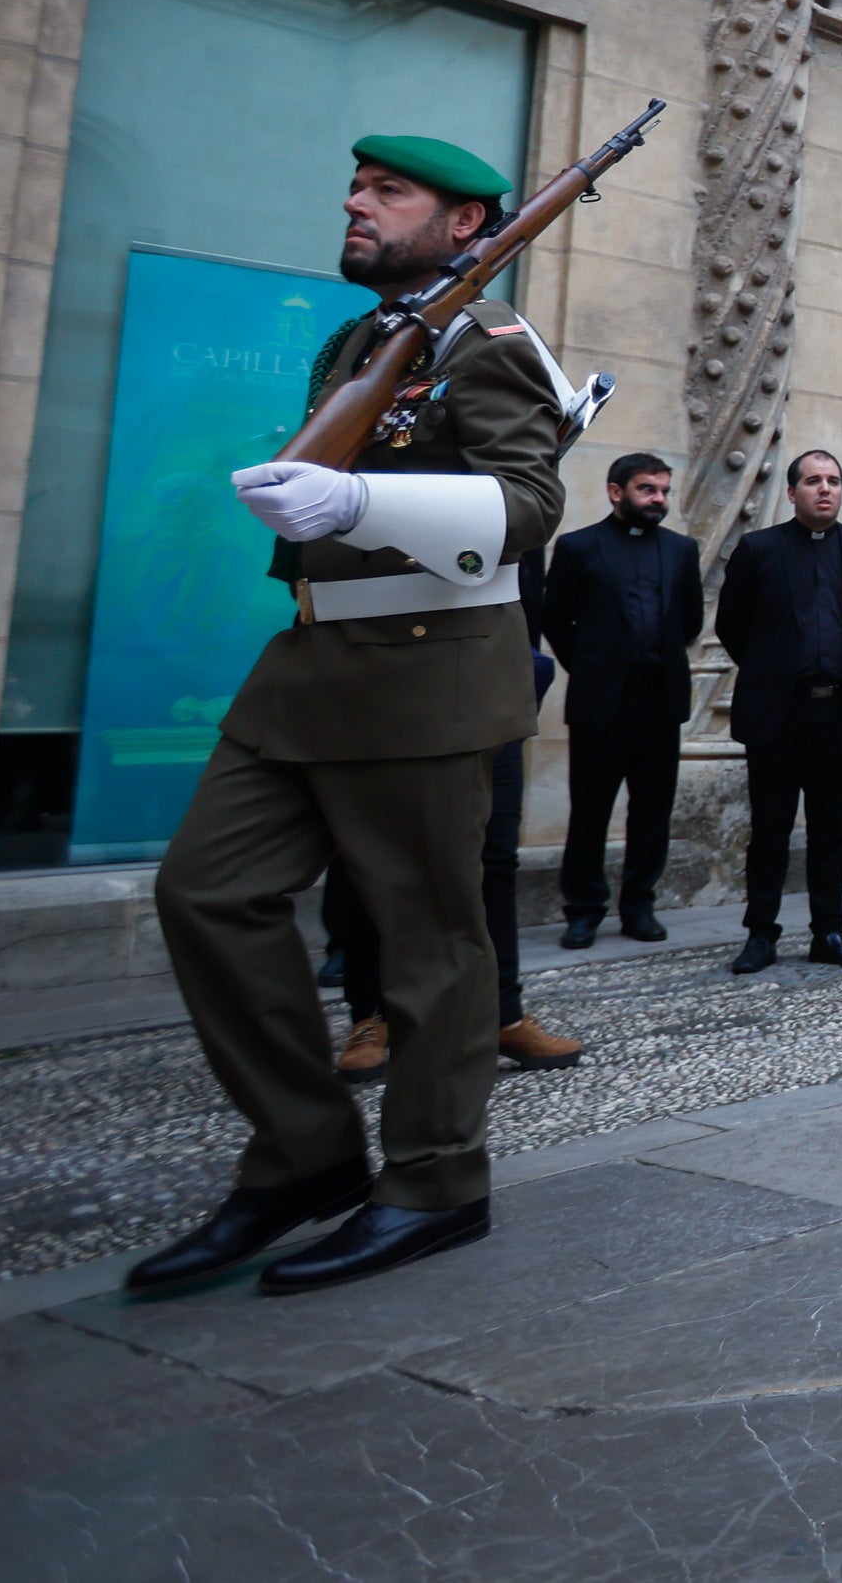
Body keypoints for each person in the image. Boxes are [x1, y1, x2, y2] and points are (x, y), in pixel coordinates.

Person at [132, 133, 570, 1298]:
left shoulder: (493, 342)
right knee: (207, 891)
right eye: (357, 187)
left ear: (468, 222)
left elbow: (529, 503)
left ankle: (434, 1181)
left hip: (426, 668)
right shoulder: (359, 338)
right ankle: (304, 1153)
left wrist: (363, 495)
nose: (356, 202)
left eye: (389, 191)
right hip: (315, 658)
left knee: (429, 943)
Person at [331, 572, 580, 1078]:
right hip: (383, 677)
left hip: (491, 680)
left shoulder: (508, 492)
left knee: (495, 858)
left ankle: (501, 1015)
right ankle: (371, 1017)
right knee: (367, 853)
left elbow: (526, 588)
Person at [715, 450, 842, 973]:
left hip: (840, 716)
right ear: (792, 492)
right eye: (813, 481)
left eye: (834, 481)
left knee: (830, 833)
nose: (825, 489)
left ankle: (829, 931)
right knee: (770, 832)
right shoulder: (759, 549)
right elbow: (732, 625)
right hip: (778, 716)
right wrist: (771, 674)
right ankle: (760, 934)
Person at [538, 451, 701, 947]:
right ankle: (583, 909)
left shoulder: (681, 550)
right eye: (647, 489)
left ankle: (639, 905)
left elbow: (690, 622)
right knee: (590, 810)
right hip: (601, 703)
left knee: (652, 811)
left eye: (664, 491)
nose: (658, 500)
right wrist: (592, 667)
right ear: (616, 492)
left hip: (660, 703)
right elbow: (555, 621)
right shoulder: (578, 547)